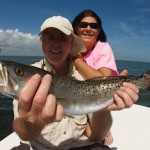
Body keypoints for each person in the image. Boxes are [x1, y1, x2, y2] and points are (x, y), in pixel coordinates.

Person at [12, 16, 139, 150]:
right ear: (42, 41)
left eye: (62, 38)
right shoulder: (31, 76)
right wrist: (35, 122)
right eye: (50, 37)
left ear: (71, 43)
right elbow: (24, 134)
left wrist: (101, 109)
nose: (56, 44)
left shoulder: (86, 78)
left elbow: (96, 136)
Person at [71, 9, 122, 145]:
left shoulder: (103, 48)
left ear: (99, 31)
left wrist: (77, 60)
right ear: (76, 28)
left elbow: (103, 82)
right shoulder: (66, 47)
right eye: (83, 25)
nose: (88, 29)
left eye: (93, 26)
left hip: (97, 101)